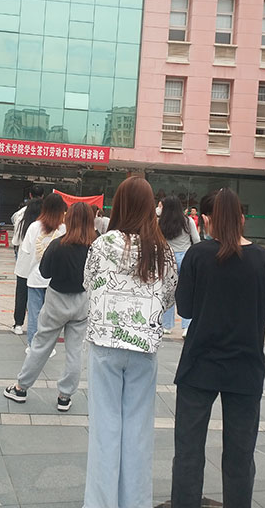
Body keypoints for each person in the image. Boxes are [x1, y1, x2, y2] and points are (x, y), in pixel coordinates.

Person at [170, 188, 265, 508]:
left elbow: (185, 308)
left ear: (208, 221)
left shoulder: (198, 255)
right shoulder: (263, 259)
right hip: (245, 368)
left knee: (189, 451)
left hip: (199, 365)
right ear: (242, 220)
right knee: (240, 455)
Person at [83, 176, 178, 508]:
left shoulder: (102, 244)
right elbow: (169, 297)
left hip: (105, 342)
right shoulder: (161, 249)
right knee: (138, 430)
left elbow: (88, 283)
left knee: (104, 428)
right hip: (144, 346)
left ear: (119, 204)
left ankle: (100, 502)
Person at [3, 202, 96, 412]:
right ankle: (65, 396)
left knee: (41, 345)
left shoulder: (58, 245)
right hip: (82, 301)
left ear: (69, 219)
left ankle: (21, 388)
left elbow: (44, 272)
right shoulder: (95, 247)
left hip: (56, 300)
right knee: (75, 351)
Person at [18, 193, 67, 352]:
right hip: (56, 280)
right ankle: (49, 347)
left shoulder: (34, 227)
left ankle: (33, 345)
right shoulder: (64, 228)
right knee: (52, 317)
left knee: (34, 314)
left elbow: (25, 250)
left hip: (35, 277)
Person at [159, 195, 200, 337]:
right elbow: (196, 240)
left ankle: (166, 326)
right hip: (185, 258)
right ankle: (187, 327)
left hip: (167, 259)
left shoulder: (161, 222)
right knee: (187, 292)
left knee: (168, 292)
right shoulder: (188, 221)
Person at [12, 198, 42, 335]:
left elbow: (15, 241)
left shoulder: (22, 223)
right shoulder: (44, 226)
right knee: (38, 299)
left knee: (21, 295)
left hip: (23, 265)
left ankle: (18, 324)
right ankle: (37, 326)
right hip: (39, 266)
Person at [12, 185, 45, 259]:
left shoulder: (21, 213)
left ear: (30, 195)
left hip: (23, 252)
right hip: (41, 252)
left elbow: (16, 239)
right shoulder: (47, 213)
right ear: (43, 196)